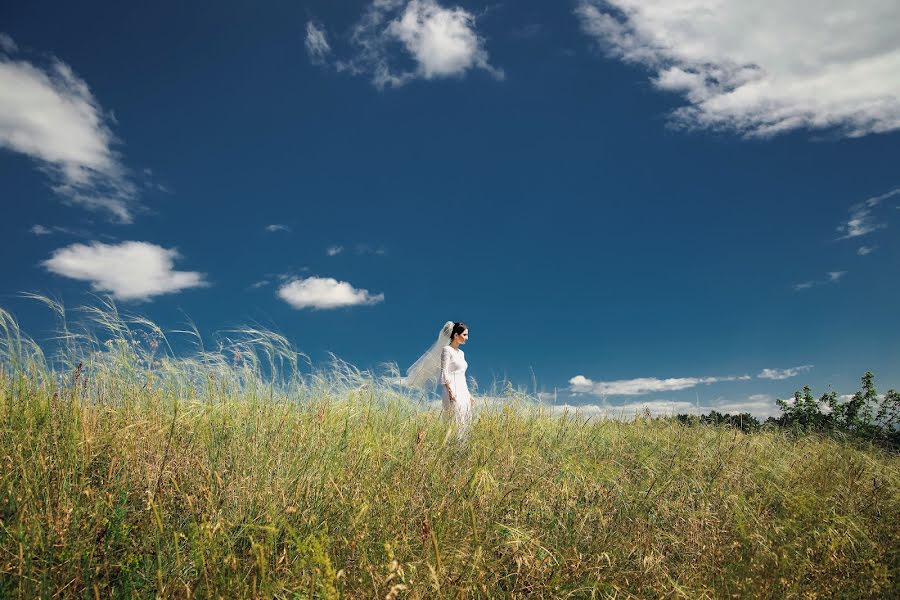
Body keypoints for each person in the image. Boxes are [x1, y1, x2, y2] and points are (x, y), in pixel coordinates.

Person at [405, 321, 473, 436]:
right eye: (464, 335)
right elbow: (444, 372)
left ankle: (461, 450)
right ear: (456, 335)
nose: (467, 338)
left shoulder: (461, 353)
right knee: (454, 422)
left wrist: (469, 395)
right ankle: (450, 448)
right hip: (452, 390)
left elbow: (462, 375)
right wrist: (450, 391)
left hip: (463, 390)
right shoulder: (447, 350)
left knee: (465, 422)